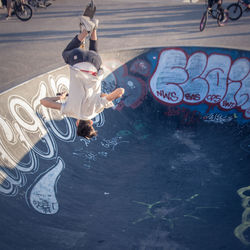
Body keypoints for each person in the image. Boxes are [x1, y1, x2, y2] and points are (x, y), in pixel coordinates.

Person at [40, 16, 125, 139]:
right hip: (77, 59)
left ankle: (94, 28)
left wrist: (104, 96)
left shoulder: (98, 108)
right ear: (77, 123)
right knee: (66, 53)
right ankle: (86, 31)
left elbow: (120, 91)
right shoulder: (69, 110)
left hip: (95, 63)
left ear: (91, 122)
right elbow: (44, 102)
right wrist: (60, 97)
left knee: (94, 52)